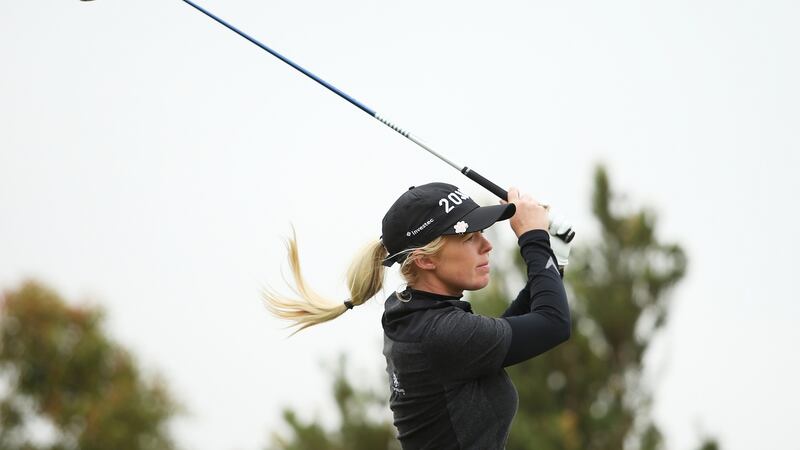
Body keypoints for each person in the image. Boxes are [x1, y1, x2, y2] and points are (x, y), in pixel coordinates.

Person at [264, 182, 571, 450]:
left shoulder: (413, 316)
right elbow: (552, 324)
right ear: (424, 260)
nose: (487, 245)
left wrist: (550, 260)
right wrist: (533, 239)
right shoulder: (438, 333)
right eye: (469, 237)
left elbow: (504, 335)